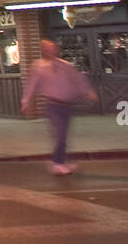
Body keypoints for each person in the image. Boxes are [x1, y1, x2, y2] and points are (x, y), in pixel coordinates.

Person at [21, 39, 98, 175]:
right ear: (43, 50)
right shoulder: (38, 66)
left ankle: (60, 160)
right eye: (47, 48)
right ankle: (57, 163)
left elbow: (78, 79)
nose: (51, 51)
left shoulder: (66, 65)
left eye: (53, 48)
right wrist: (26, 101)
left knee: (63, 135)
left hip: (66, 105)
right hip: (53, 105)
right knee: (60, 134)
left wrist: (88, 92)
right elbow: (31, 84)